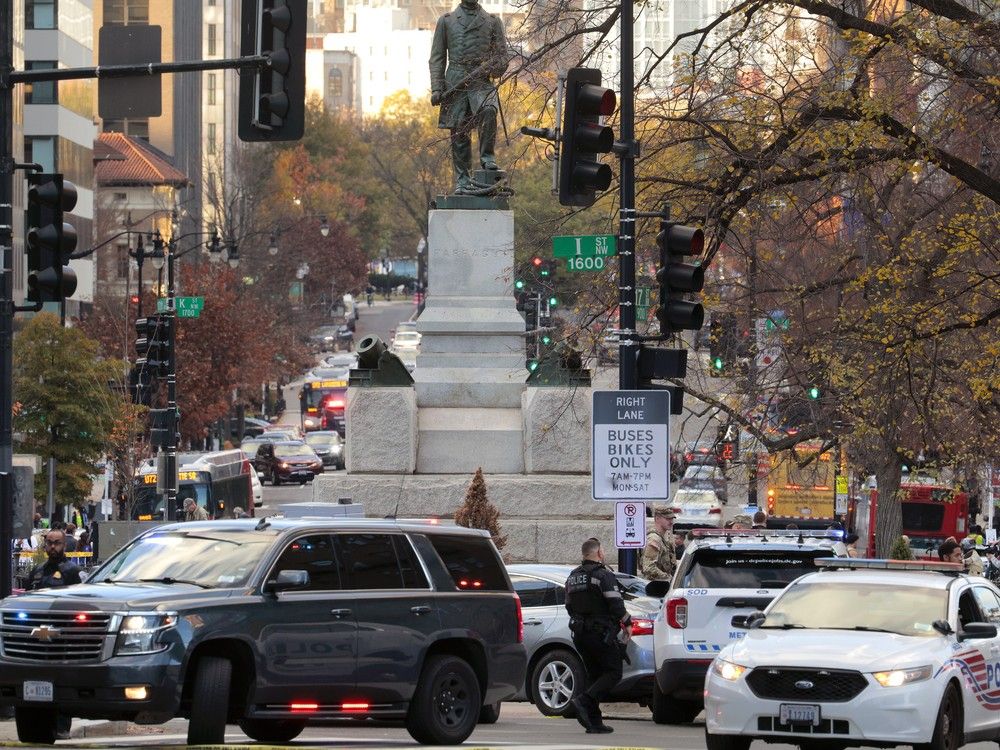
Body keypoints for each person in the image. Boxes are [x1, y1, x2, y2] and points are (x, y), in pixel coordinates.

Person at [429, 0, 510, 193]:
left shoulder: (493, 22)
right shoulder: (446, 21)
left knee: (489, 110)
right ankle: (463, 181)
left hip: (481, 80)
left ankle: (487, 158)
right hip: (455, 79)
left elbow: (502, 58)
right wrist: (436, 88)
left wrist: (492, 67)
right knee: (459, 130)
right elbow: (437, 57)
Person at [564, 538, 630, 734]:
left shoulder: (572, 577)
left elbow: (569, 606)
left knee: (594, 675)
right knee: (613, 672)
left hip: (580, 634)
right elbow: (616, 604)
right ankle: (583, 702)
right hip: (600, 633)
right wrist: (627, 623)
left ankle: (594, 722)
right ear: (599, 553)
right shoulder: (603, 575)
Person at [640, 507, 676, 581]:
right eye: (667, 519)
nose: (671, 522)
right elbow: (649, 568)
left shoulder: (664, 539)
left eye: (672, 519)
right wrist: (670, 579)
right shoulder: (654, 539)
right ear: (657, 519)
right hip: (655, 586)